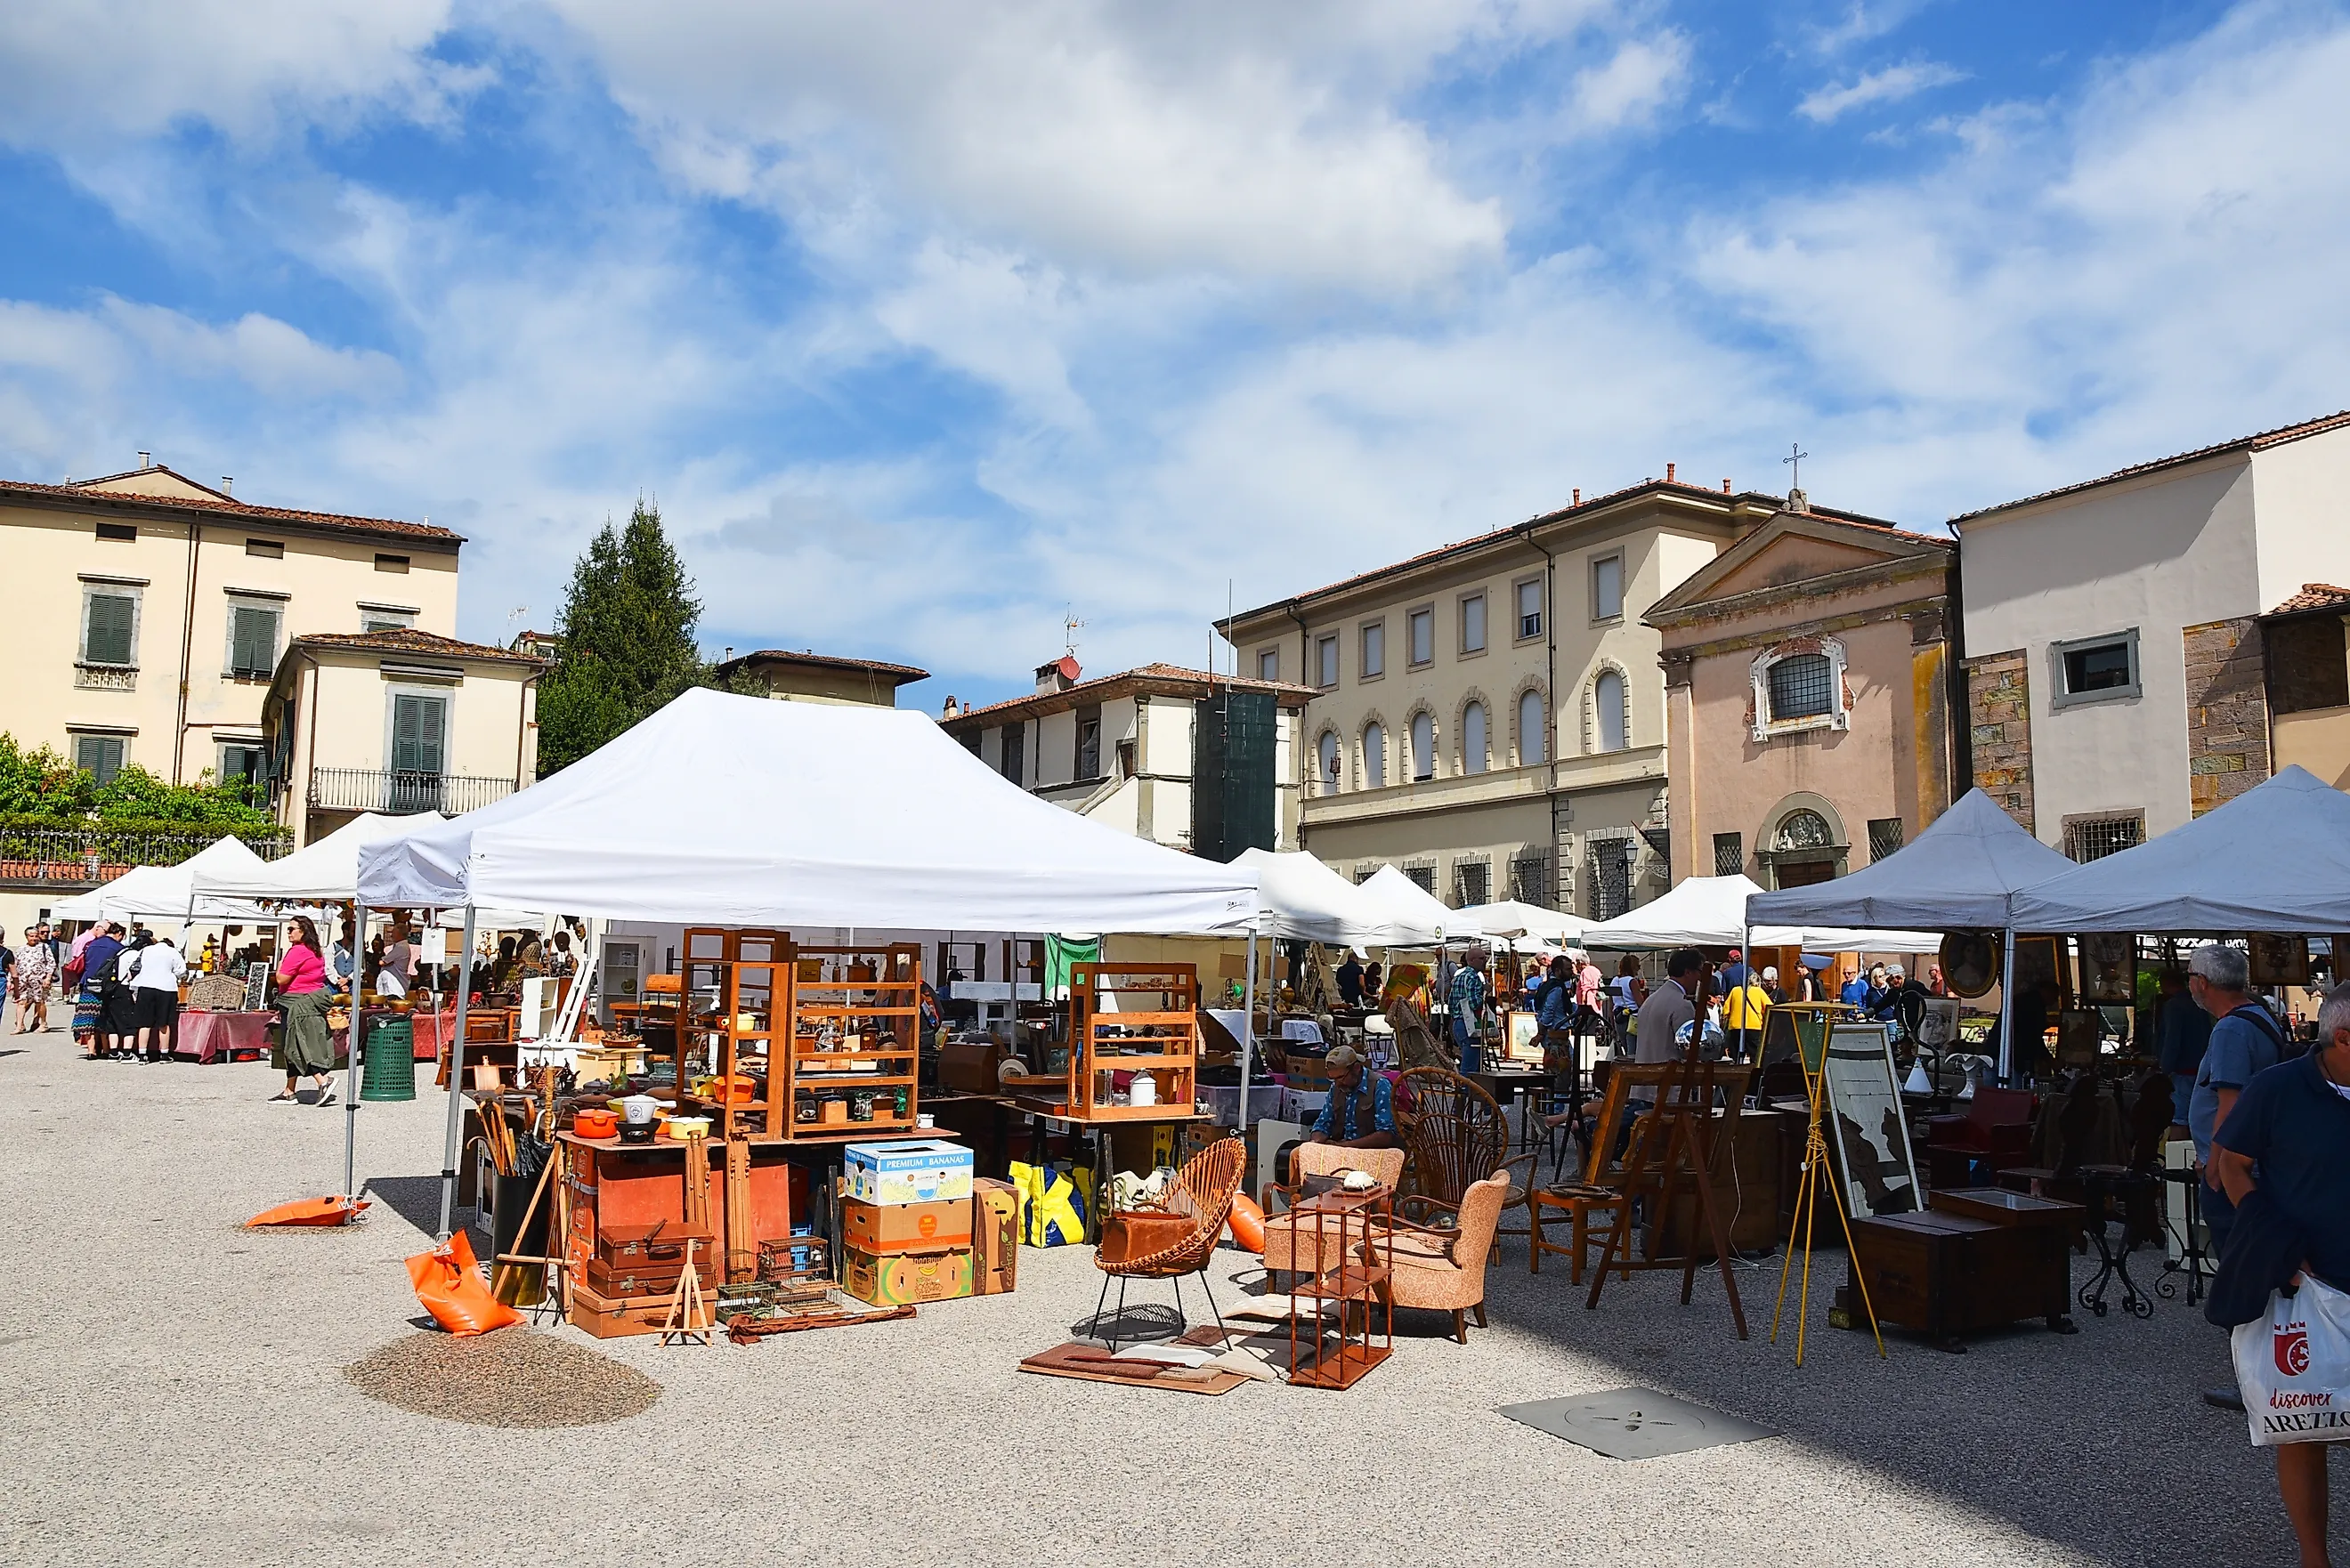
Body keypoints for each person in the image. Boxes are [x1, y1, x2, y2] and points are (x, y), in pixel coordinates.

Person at [2208, 981, 2350, 1568]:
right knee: (2305, 1424)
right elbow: (2230, 1166)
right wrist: (2270, 1238)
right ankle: (2314, 1559)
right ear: (2343, 1037)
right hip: (2308, 1279)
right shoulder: (2278, 1088)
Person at [2189, 942, 2287, 1263]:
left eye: (2191, 976)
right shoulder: (2261, 1016)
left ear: (2202, 982)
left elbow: (2229, 1105)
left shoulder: (2230, 1028)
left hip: (2236, 1166)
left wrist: (2215, 1169)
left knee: (2237, 1263)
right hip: (2255, 1159)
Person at [271, 914, 337, 1105]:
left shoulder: (298, 951)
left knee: (298, 1045)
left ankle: (323, 1081)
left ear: (304, 931)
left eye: (292, 929)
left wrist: (280, 965)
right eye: (288, 929)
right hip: (311, 1002)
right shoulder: (315, 950)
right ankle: (289, 1091)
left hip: (297, 1004)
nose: (289, 932)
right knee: (295, 1044)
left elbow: (282, 979)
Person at [1302, 1045, 1398, 1152]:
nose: (1337, 1084)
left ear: (1356, 1068)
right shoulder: (1336, 1087)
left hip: (1372, 1152)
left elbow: (1385, 1136)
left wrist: (1344, 1147)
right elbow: (1324, 1123)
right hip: (1340, 1148)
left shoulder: (1380, 1085)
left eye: (1341, 1077)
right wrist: (1315, 1144)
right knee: (1297, 1154)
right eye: (1333, 1079)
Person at [2156, 970, 2213, 1124]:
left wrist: (2164, 1069)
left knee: (2179, 1119)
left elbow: (2172, 1040)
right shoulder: (2199, 1005)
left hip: (2182, 1071)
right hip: (2202, 1070)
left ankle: (2178, 1147)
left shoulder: (2174, 1006)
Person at [1634, 949, 1702, 1065]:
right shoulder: (1682, 1004)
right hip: (1669, 1078)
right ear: (1688, 972)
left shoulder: (1651, 1000)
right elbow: (1689, 1050)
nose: (1700, 978)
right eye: (1700, 972)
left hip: (1644, 1077)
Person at [128, 933, 187, 1062]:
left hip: (145, 986)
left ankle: (142, 1054)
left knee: (144, 1023)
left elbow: (136, 966)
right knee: (164, 1023)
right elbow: (181, 971)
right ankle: (164, 1054)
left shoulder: (146, 950)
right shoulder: (173, 952)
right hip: (166, 988)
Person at [1448, 950, 1489, 1074]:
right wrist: (1485, 992)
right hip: (1469, 1025)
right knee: (1470, 1068)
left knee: (1469, 1063)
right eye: (1482, 958)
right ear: (1471, 960)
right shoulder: (1473, 977)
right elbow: (1474, 1003)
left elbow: (1450, 1003)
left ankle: (1467, 1091)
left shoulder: (1458, 976)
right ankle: (1466, 1091)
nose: (1485, 961)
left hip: (1458, 1024)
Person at [1722, 966, 1771, 1061]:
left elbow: (1726, 1010)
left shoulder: (1735, 990)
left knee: (1735, 1055)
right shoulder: (1759, 991)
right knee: (1755, 1056)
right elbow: (1770, 1007)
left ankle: (1736, 1072)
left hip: (1735, 1026)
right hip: (1754, 1027)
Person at [12, 925, 55, 1033]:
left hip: (39, 980)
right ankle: (19, 1026)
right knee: (21, 1002)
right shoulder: (21, 949)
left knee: (39, 1002)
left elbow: (51, 963)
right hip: (23, 981)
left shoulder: (44, 948)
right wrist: (12, 981)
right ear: (27, 937)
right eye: (32, 936)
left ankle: (43, 1024)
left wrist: (48, 978)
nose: (34, 938)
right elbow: (14, 965)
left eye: (36, 936)